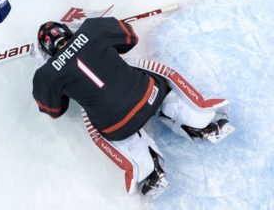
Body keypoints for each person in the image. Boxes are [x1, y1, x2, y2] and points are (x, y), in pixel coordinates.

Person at [31, 16, 234, 198]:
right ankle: (195, 115)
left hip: (116, 126)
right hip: (150, 95)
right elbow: (130, 36)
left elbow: (54, 111)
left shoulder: (45, 75)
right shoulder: (92, 29)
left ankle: (143, 165)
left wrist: (55, 75)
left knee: (90, 115)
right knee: (140, 66)